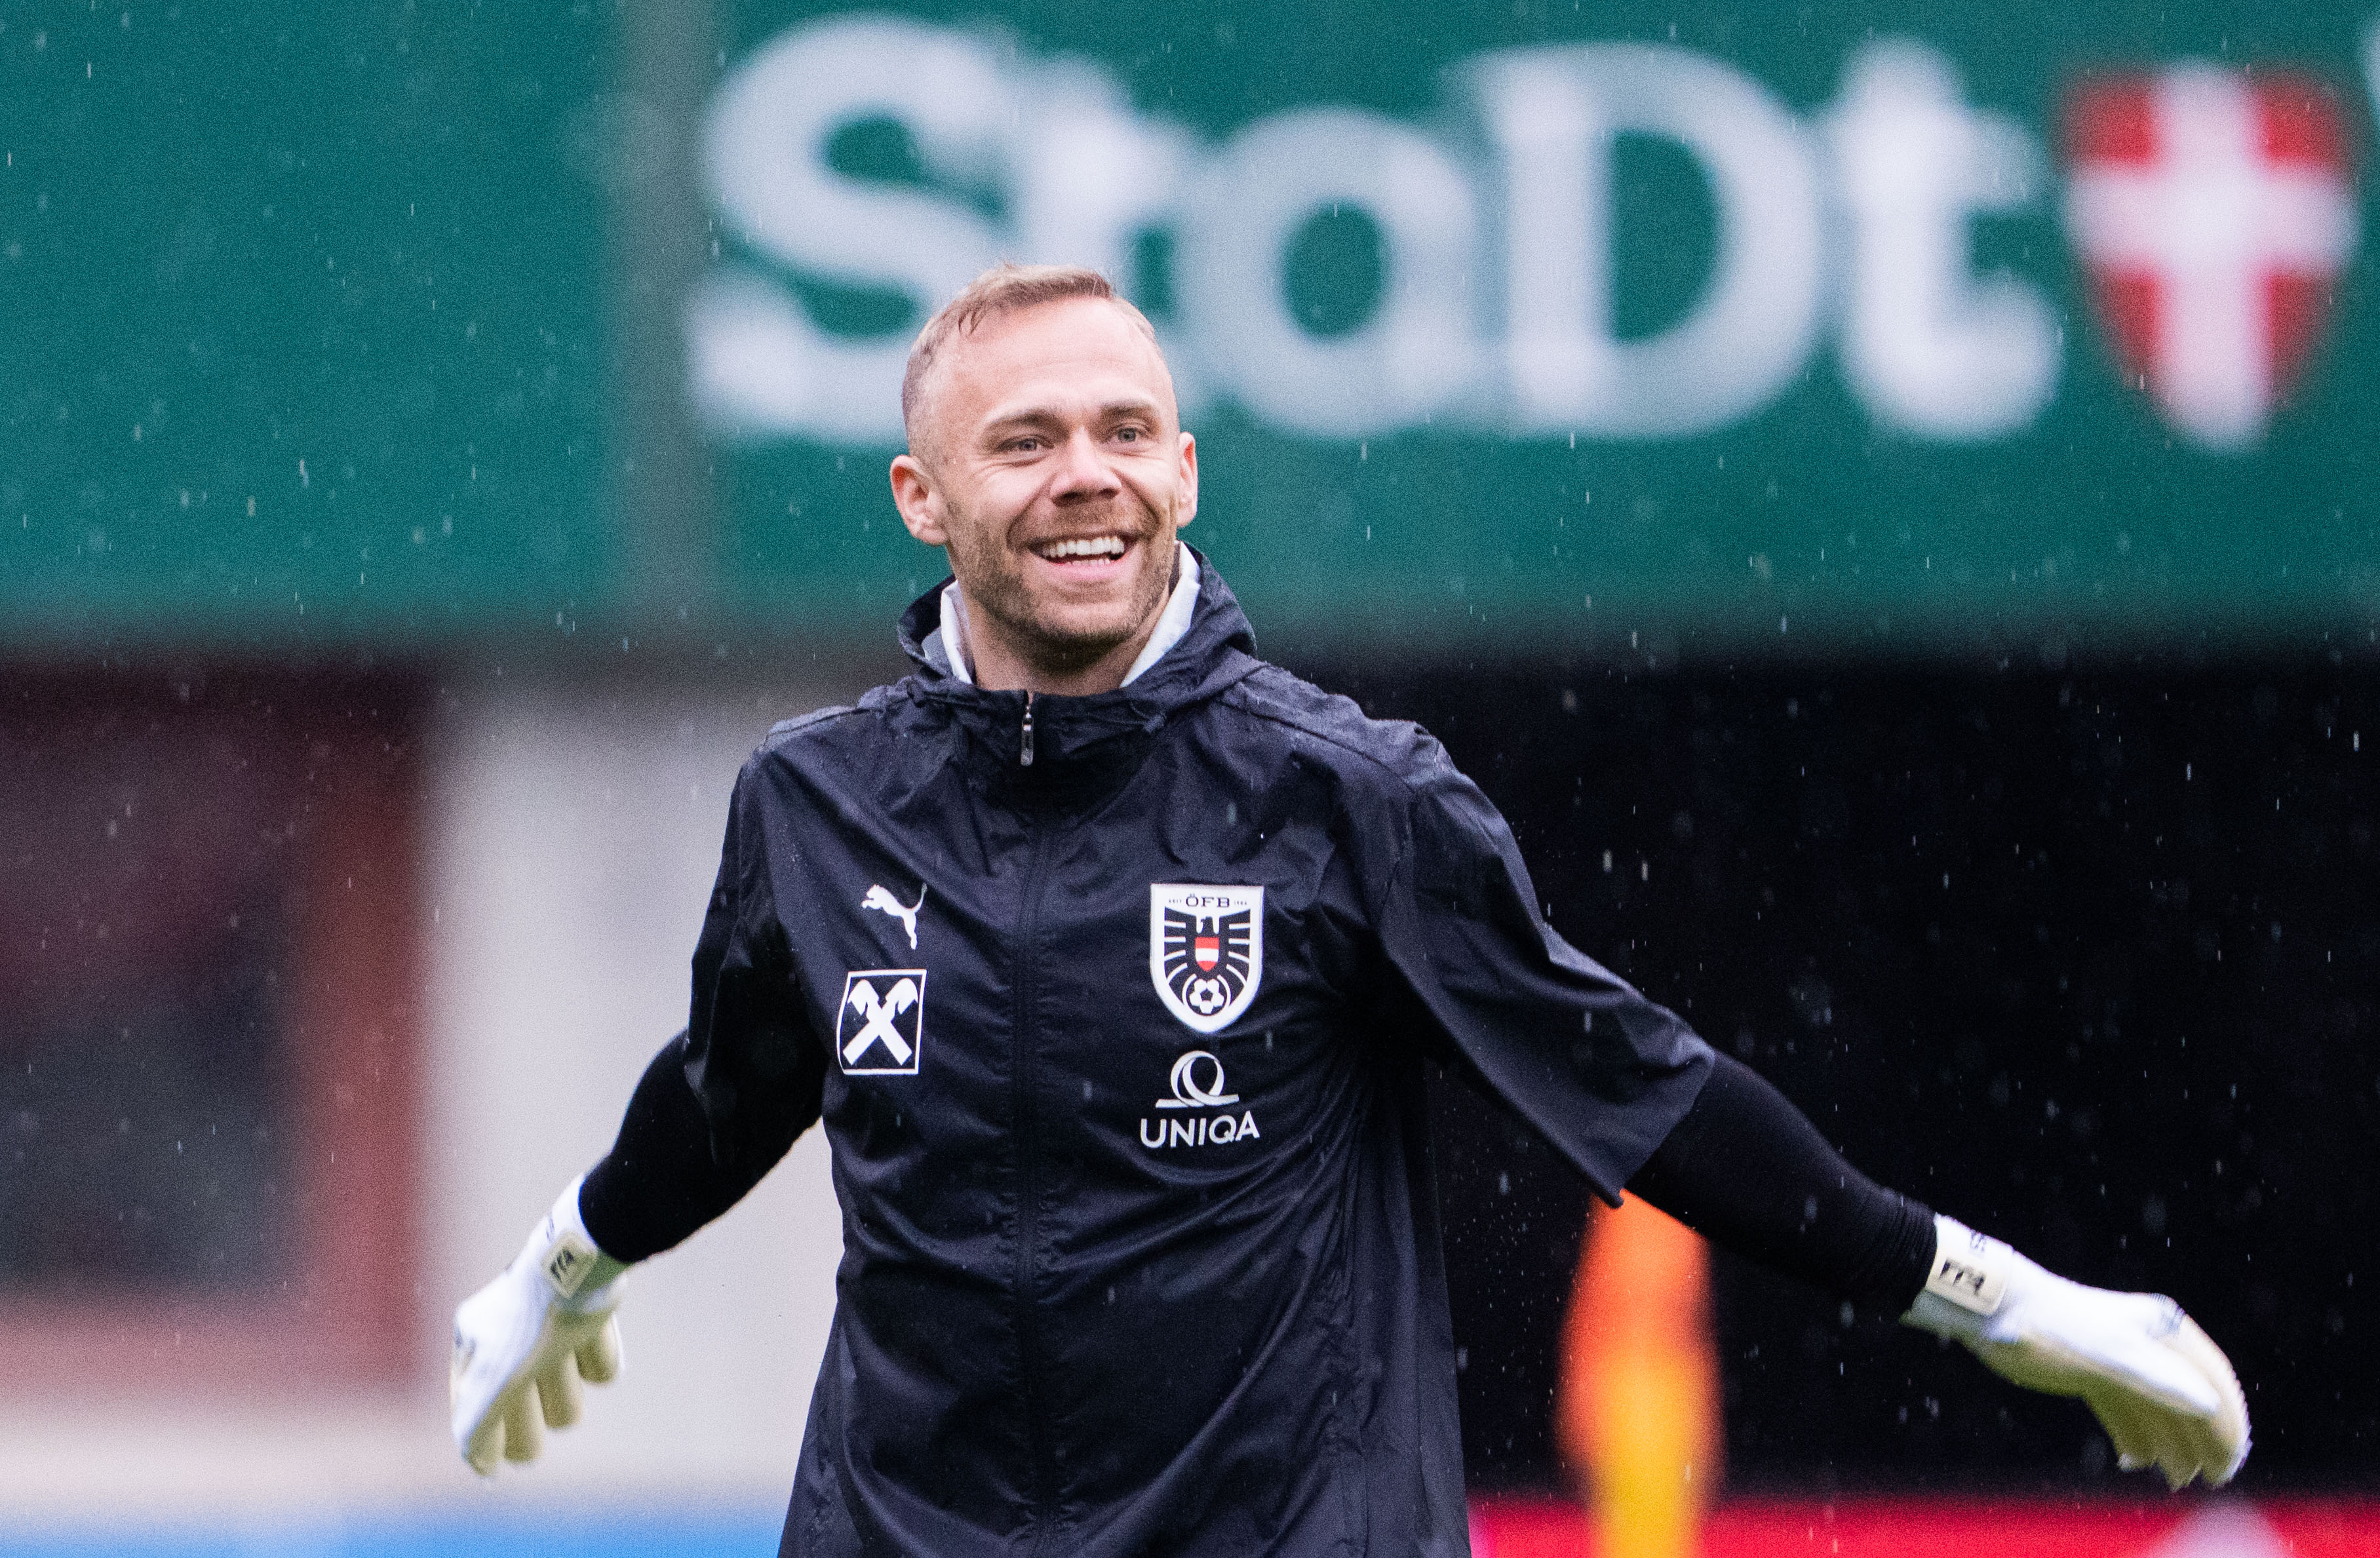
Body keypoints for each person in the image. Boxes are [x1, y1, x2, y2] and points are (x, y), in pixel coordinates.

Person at [449, 264, 2249, 1554]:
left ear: (1185, 474)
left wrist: (1992, 1299)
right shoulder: (811, 801)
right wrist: (566, 1260)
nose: (1086, 471)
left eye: (1125, 430)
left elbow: (1642, 1090)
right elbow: (735, 1081)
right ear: (924, 497)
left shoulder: (1347, 795)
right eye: (1025, 441)